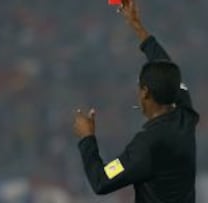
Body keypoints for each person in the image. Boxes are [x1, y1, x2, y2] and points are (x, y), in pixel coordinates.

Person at [73, 0, 199, 202]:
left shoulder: (147, 145)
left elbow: (101, 181)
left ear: (145, 92)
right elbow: (167, 67)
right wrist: (137, 26)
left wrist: (87, 139)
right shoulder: (185, 117)